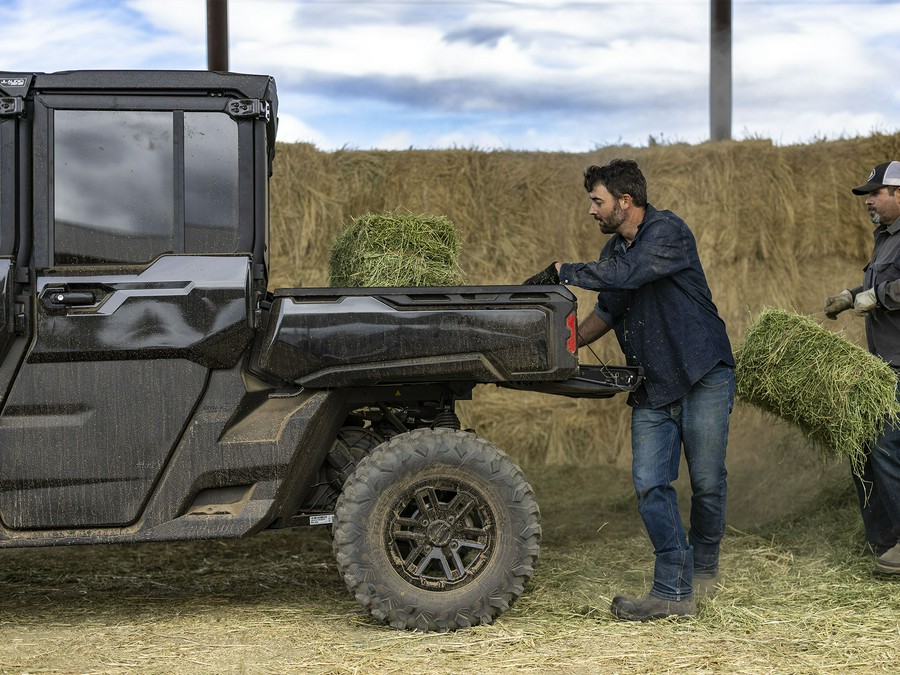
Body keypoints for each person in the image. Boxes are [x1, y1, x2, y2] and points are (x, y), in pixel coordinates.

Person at [524, 159, 735, 620]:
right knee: (649, 484)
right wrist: (566, 344)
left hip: (702, 373)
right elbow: (610, 309)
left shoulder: (668, 233)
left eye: (597, 201)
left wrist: (564, 270)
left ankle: (703, 569)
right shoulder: (612, 256)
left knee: (706, 483)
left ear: (625, 201)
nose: (591, 211)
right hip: (653, 383)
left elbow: (629, 275)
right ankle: (672, 591)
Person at [823, 160, 900, 576]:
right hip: (882, 365)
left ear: (899, 193)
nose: (868, 200)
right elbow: (874, 286)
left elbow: (889, 290)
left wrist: (881, 295)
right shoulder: (885, 237)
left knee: (887, 445)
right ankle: (884, 541)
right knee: (860, 444)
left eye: (875, 193)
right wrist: (850, 294)